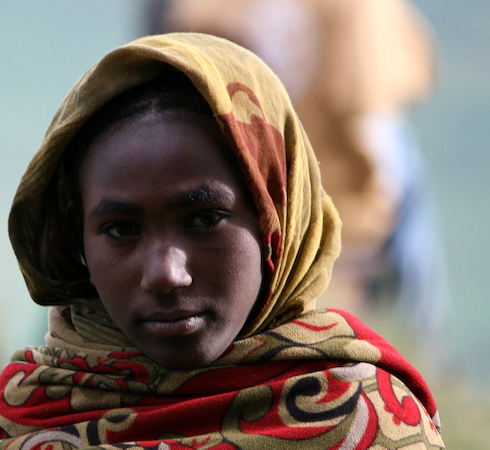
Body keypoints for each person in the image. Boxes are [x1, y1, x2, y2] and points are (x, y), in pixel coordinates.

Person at [0, 33, 444, 449]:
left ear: (278, 220)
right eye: (122, 230)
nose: (165, 273)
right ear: (75, 236)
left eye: (205, 219)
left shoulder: (363, 419)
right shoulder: (37, 413)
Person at [152, 0, 449, 341]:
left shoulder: (200, 11)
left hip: (254, 219)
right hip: (343, 220)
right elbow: (390, 95)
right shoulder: (359, 9)